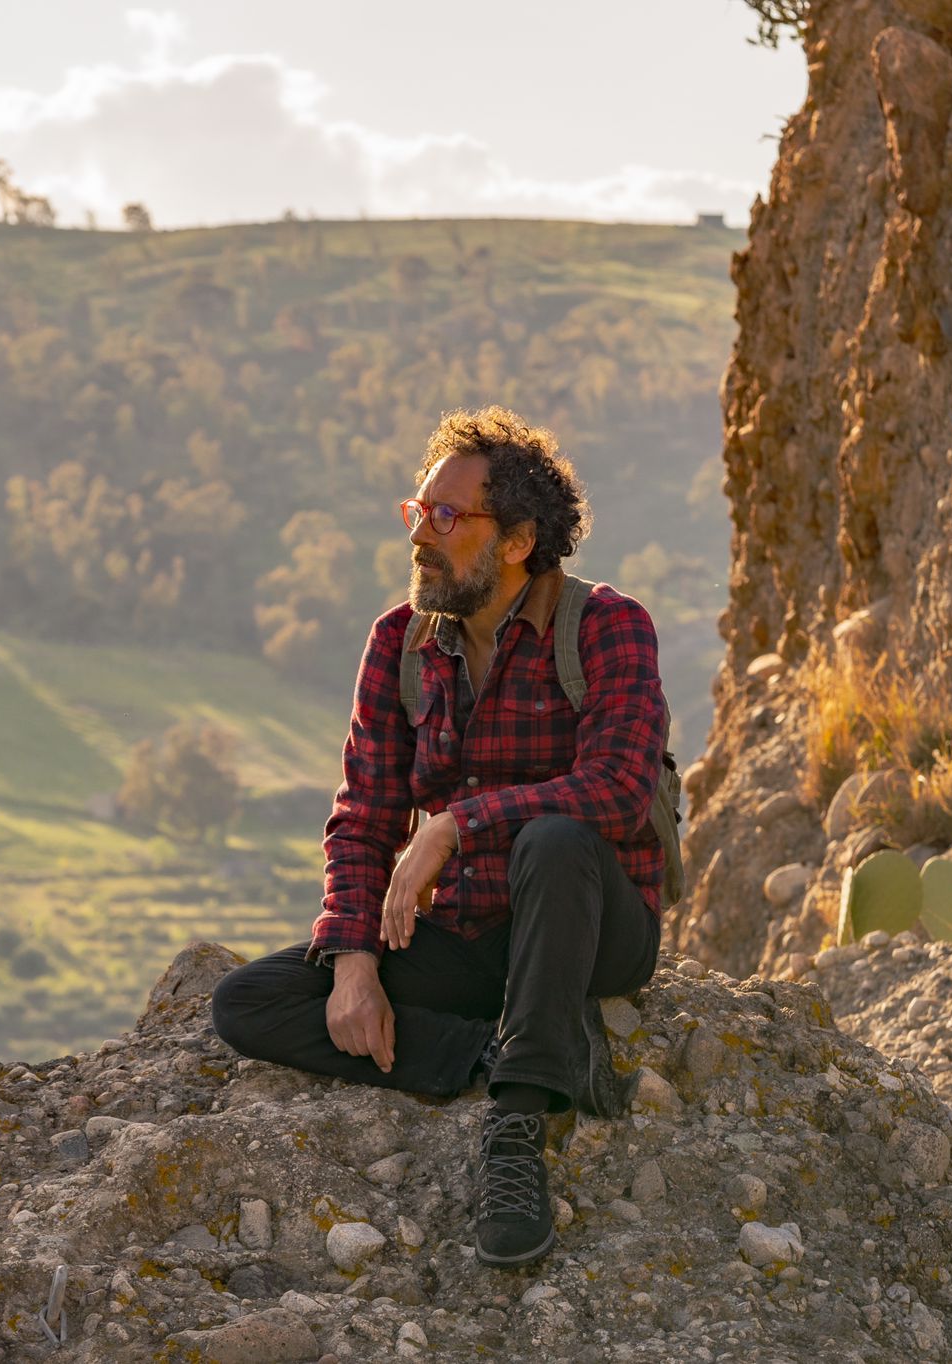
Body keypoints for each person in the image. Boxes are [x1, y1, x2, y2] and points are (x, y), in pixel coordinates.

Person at [210, 405, 669, 1267]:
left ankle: (519, 1123)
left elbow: (619, 790)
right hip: (463, 935)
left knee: (557, 838)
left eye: (448, 517)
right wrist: (351, 962)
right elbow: (363, 816)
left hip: (589, 926)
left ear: (519, 540)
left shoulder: (608, 627)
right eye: (417, 512)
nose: (422, 534)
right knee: (249, 1004)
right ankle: (498, 1053)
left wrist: (458, 825)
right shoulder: (401, 644)